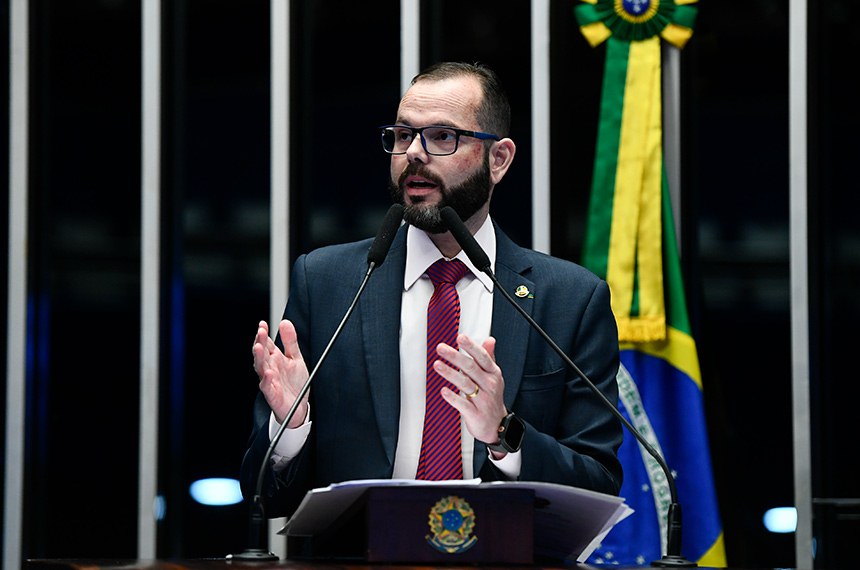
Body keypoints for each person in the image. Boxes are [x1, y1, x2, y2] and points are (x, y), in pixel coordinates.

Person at [240, 61, 623, 519]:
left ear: (498, 159)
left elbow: (599, 488)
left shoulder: (571, 301)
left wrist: (504, 434)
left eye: (443, 137)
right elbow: (264, 498)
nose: (414, 154)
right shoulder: (327, 283)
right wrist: (292, 425)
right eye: (403, 136)